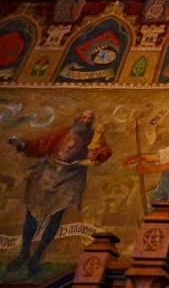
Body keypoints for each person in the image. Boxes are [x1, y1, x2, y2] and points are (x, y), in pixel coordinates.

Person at [5, 109, 112, 274]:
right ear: (79, 118)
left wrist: (97, 154)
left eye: (89, 119)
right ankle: (23, 253)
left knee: (55, 219)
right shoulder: (64, 132)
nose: (86, 121)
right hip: (48, 176)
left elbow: (105, 151)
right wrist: (23, 144)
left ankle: (36, 257)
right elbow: (43, 144)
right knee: (31, 214)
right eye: (84, 117)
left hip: (70, 179)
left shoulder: (93, 137)